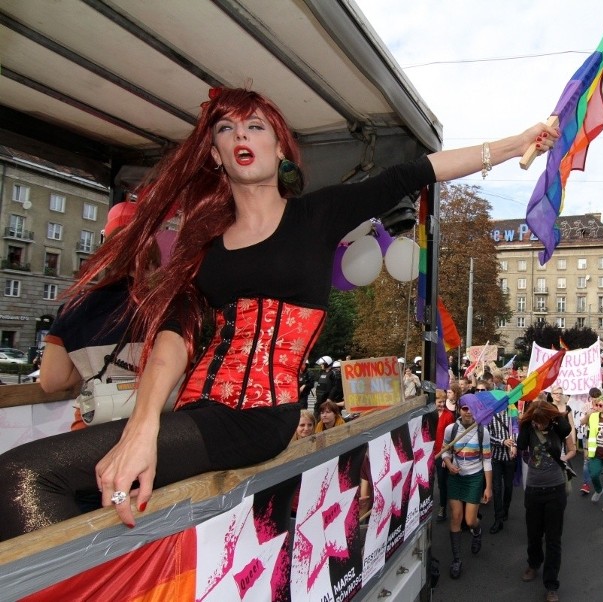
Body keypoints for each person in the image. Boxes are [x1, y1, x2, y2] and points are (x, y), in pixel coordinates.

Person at [0, 87, 559, 540]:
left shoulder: (316, 216)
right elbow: (174, 335)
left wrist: (515, 143)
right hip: (196, 408)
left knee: (22, 475)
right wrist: (143, 425)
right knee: (62, 484)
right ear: (216, 155)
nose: (240, 135)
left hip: (257, 416)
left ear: (279, 149)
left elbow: (417, 172)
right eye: (226, 129)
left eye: (255, 126)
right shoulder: (205, 244)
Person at [39, 201, 149, 430]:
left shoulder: (75, 307)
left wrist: (90, 368)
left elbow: (51, 380)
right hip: (149, 430)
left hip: (92, 430)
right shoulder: (162, 307)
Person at [516, 399, 576, 602]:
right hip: (533, 488)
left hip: (555, 488)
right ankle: (534, 563)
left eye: (543, 421)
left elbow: (567, 429)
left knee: (553, 538)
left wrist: (555, 417)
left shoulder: (557, 428)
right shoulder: (529, 428)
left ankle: (551, 584)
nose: (540, 425)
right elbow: (522, 445)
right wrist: (526, 422)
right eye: (537, 421)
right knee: (533, 533)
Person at [441, 396, 492, 580]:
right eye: (464, 408)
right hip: (455, 478)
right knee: (456, 517)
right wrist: (448, 462)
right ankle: (456, 560)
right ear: (459, 410)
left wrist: (488, 487)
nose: (468, 411)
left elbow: (487, 460)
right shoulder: (451, 429)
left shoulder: (482, 431)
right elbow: (445, 450)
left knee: (470, 521)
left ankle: (477, 532)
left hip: (474, 478)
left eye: (471, 408)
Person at [485, 381, 516, 534]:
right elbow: (487, 436)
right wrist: (502, 441)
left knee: (508, 487)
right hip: (496, 457)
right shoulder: (490, 416)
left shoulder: (512, 413)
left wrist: (514, 445)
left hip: (510, 457)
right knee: (497, 488)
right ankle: (498, 518)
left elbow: (516, 430)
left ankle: (505, 509)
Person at [433, 386, 459, 522]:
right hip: (430, 454)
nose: (442, 404)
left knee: (442, 482)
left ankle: (442, 507)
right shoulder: (429, 415)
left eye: (444, 402)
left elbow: (452, 438)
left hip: (443, 454)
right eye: (439, 402)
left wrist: (447, 455)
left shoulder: (449, 416)